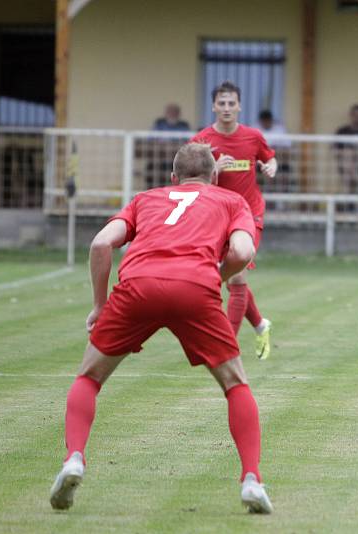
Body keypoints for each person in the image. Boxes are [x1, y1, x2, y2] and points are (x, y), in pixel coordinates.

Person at [48, 143, 274, 514]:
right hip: (195, 289)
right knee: (235, 383)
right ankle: (251, 479)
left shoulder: (145, 198)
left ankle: (74, 458)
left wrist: (99, 306)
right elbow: (243, 252)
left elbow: (101, 243)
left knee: (88, 377)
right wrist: (215, 277)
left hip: (138, 284)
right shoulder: (231, 201)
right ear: (215, 176)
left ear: (173, 177)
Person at [191, 81, 277, 359]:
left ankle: (225, 345)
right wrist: (213, 169)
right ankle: (261, 324)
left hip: (249, 213)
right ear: (214, 106)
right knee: (231, 280)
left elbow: (270, 159)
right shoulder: (202, 141)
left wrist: (269, 168)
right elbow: (190, 179)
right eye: (222, 103)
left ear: (239, 106)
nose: (227, 108)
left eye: (231, 103)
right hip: (217, 216)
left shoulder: (253, 136)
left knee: (237, 275)